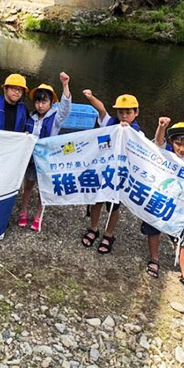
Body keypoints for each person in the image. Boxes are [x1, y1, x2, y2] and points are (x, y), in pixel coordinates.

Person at [145, 119, 184, 297]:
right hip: (158, 200)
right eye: (178, 143)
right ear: (171, 142)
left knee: (179, 237)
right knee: (153, 230)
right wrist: (161, 127)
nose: (182, 148)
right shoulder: (165, 153)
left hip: (176, 207)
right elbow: (158, 141)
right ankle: (154, 258)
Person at [81, 91, 141, 255]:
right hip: (103, 172)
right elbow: (101, 109)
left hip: (119, 177)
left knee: (114, 207)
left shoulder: (137, 134)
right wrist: (91, 97)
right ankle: (93, 228)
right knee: (97, 201)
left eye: (128, 112)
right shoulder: (110, 124)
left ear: (136, 113)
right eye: (121, 112)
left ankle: (109, 234)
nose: (124, 116)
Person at [18, 72, 73, 232]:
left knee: (43, 189)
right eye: (37, 101)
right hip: (31, 159)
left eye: (44, 101)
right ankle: (23, 211)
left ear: (51, 102)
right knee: (28, 185)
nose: (40, 105)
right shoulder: (31, 117)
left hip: (46, 160)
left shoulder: (56, 118)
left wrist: (65, 85)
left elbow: (65, 108)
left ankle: (38, 216)